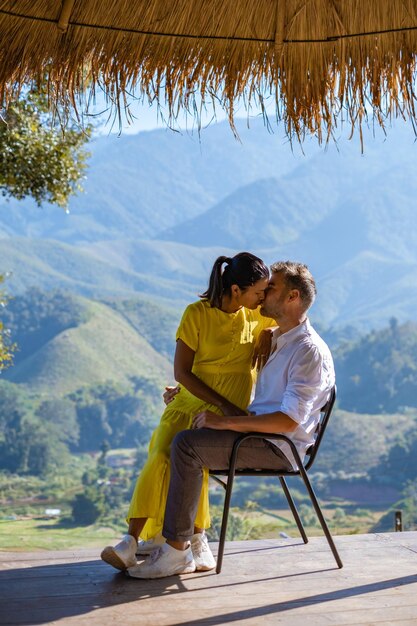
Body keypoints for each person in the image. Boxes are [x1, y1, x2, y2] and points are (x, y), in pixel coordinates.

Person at [126, 261, 336, 579]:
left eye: (272, 288)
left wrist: (224, 422)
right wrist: (182, 390)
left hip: (276, 446)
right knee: (185, 438)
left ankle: (175, 550)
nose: (264, 294)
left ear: (293, 297)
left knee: (186, 446)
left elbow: (287, 422)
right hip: (260, 435)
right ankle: (184, 542)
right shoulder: (280, 338)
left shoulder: (307, 352)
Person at [101, 252, 276, 572]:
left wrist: (270, 335)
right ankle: (129, 542)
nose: (263, 298)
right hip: (189, 406)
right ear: (236, 289)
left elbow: (294, 322)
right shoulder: (196, 314)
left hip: (224, 418)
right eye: (258, 292)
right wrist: (221, 404)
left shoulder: (258, 318)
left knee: (196, 459)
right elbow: (183, 373)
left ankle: (197, 539)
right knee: (160, 456)